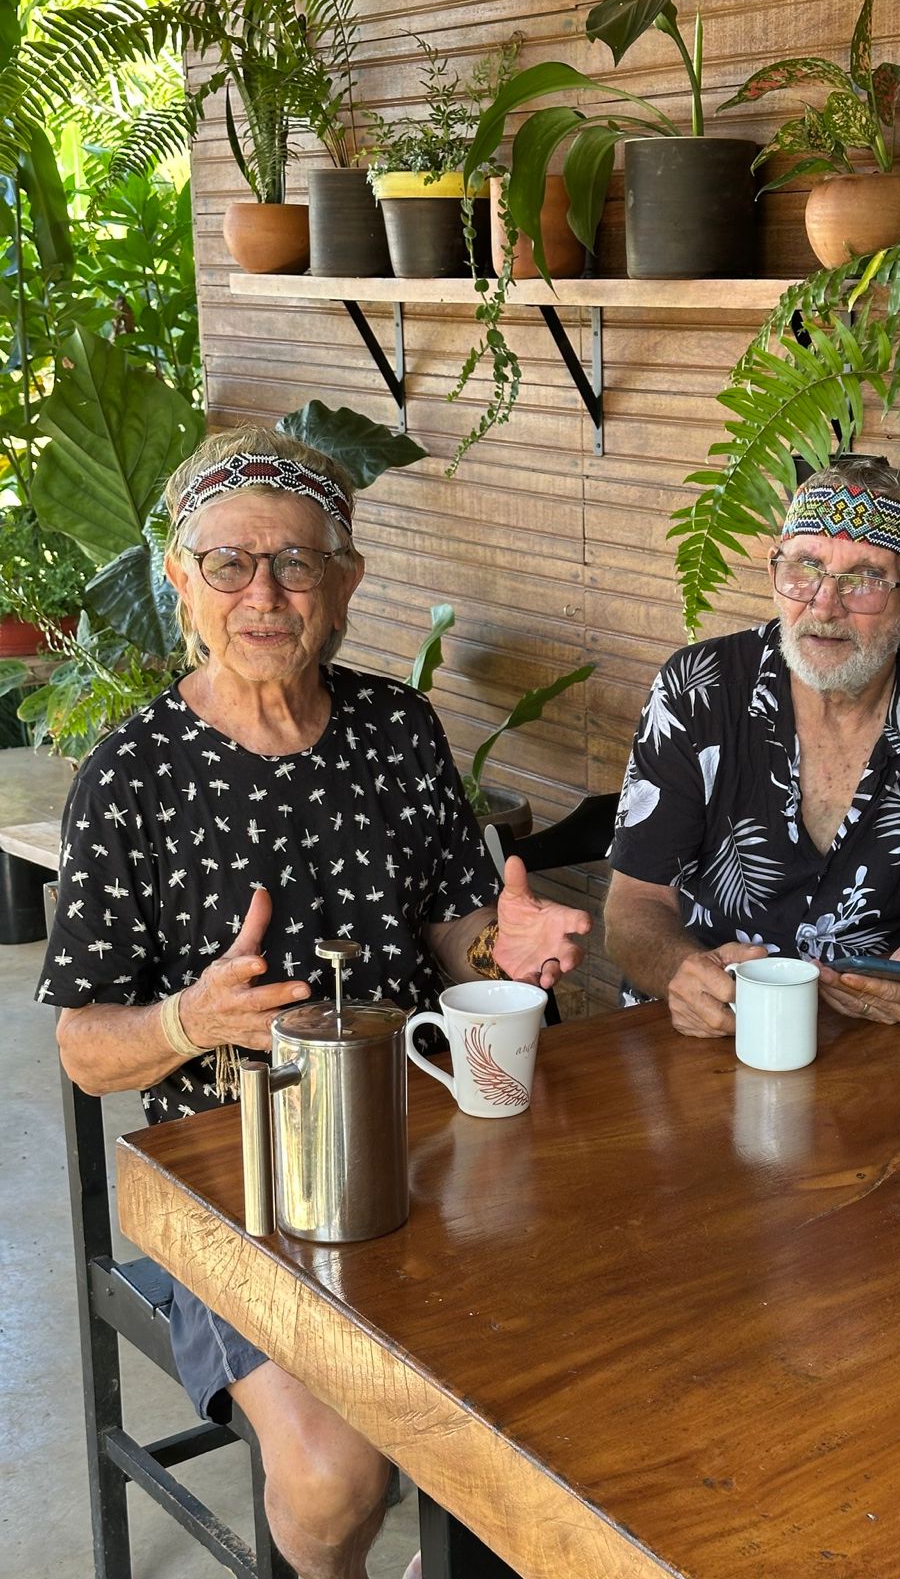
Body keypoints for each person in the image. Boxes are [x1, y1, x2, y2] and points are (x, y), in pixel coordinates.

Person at [37, 424, 591, 1579]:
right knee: (339, 1479)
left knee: (581, 1367)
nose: (265, 593)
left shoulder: (397, 730)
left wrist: (502, 941)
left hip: (423, 1135)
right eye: (230, 564)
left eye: (295, 562)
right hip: (233, 1183)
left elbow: (453, 926)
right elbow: (86, 1047)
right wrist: (190, 1021)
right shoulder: (129, 774)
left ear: (344, 582)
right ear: (182, 583)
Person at [604, 456, 900, 1036]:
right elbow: (633, 903)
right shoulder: (699, 690)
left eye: (865, 580)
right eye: (805, 567)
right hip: (702, 1030)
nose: (824, 605)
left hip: (876, 1032)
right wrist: (682, 972)